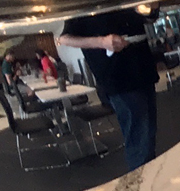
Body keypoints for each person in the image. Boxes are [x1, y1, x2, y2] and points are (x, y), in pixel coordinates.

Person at [58, 12, 158, 168]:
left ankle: (150, 179)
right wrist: (102, 41)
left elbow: (149, 17)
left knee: (148, 133)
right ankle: (143, 183)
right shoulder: (82, 2)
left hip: (143, 67)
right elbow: (64, 38)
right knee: (139, 139)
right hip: (117, 75)